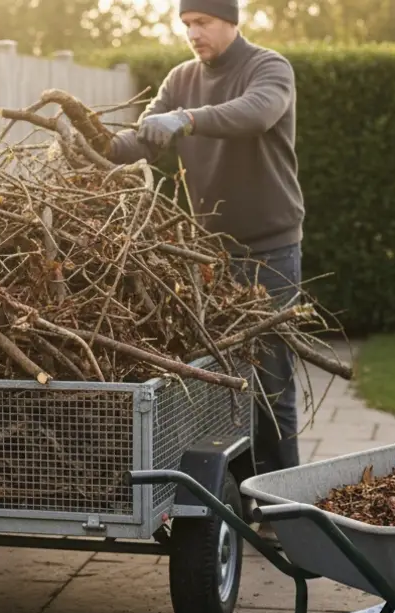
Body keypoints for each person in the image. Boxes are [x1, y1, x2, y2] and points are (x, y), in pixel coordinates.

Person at [105, 0, 305, 486]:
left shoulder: (268, 67)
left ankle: (282, 507)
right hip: (208, 254)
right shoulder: (180, 80)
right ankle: (234, 491)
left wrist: (187, 120)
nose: (194, 33)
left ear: (230, 22)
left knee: (270, 382)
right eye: (187, 24)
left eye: (203, 22)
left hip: (270, 249)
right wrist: (93, 144)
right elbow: (143, 141)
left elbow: (257, 113)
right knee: (218, 381)